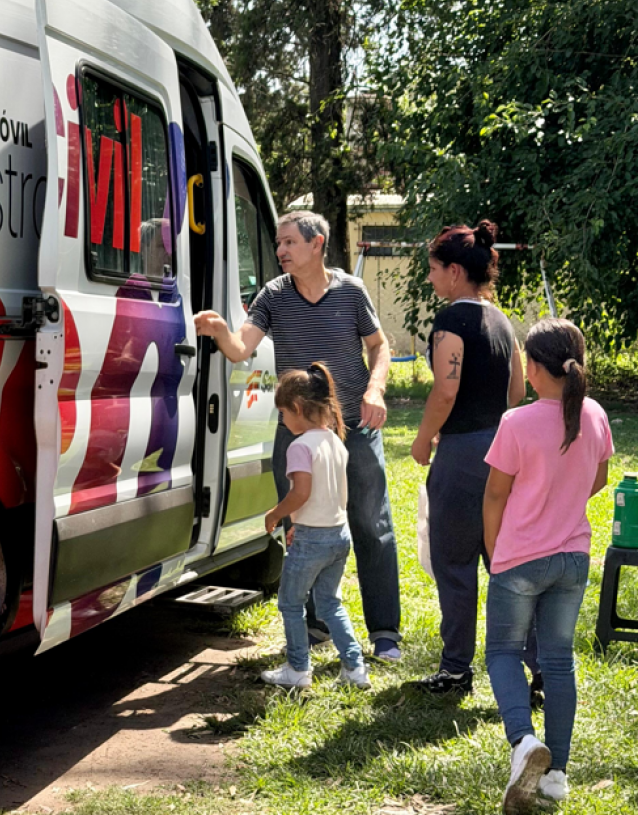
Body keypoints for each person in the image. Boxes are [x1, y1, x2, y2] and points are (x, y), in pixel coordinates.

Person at [194, 211, 402, 660]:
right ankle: (314, 626)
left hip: (356, 425)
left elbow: (379, 346)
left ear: (317, 244)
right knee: (301, 526)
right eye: (278, 243)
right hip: (299, 433)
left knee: (371, 524)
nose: (281, 251)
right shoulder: (273, 294)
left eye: (289, 242)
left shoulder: (350, 290)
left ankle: (385, 634)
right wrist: (218, 332)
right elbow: (239, 350)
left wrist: (375, 388)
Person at [483, 319, 612, 813]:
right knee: (558, 661)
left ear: (534, 368)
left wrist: (496, 555)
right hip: (572, 558)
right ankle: (557, 773)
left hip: (519, 558)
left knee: (502, 653)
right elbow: (596, 479)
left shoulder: (516, 422)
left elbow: (495, 494)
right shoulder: (595, 415)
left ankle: (522, 742)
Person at [410, 221, 525, 694]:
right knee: (510, 563)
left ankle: (456, 668)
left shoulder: (451, 320)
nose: (432, 279)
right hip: (504, 450)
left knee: (455, 565)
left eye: (434, 270)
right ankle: (534, 669)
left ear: (455, 272)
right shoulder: (501, 320)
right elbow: (517, 390)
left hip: (460, 457)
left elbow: (445, 389)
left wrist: (423, 440)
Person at [261, 362, 370, 689]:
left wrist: (276, 514)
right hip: (338, 534)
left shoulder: (299, 446)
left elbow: (302, 492)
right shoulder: (336, 441)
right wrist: (301, 523)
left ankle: (297, 669)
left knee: (291, 602)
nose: (282, 420)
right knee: (330, 603)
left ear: (296, 408)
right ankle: (355, 668)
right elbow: (326, 494)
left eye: (282, 413)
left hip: (313, 541)